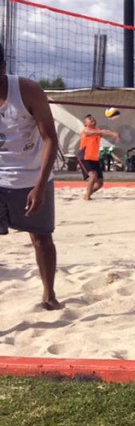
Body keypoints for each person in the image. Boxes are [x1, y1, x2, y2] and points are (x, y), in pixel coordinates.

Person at [0, 42, 60, 310]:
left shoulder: (27, 90)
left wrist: (40, 187)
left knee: (42, 239)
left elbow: (50, 138)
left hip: (32, 177)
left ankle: (49, 294)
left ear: (2, 68)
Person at [77, 114, 119, 200]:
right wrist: (113, 133)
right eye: (89, 119)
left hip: (94, 158)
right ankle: (87, 197)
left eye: (92, 118)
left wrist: (112, 134)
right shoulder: (85, 131)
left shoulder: (97, 130)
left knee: (100, 183)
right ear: (85, 124)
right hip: (84, 157)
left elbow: (103, 132)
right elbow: (101, 132)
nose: (92, 119)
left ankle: (87, 194)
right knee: (92, 176)